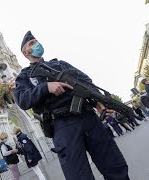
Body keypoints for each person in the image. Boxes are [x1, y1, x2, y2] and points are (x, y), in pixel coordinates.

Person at [13, 31, 130, 180]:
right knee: (78, 176)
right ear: (25, 52)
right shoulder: (25, 76)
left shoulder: (60, 64)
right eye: (31, 43)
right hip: (62, 125)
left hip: (88, 117)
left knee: (115, 166)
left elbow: (86, 82)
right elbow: (22, 100)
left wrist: (98, 103)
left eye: (36, 41)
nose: (36, 45)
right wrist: (45, 87)